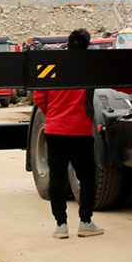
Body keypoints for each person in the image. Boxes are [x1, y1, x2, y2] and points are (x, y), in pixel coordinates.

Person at [32, 27, 104, 239]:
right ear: (88, 44)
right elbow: (115, 81)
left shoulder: (53, 64)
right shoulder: (89, 67)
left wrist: (53, 116)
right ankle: (85, 222)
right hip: (80, 132)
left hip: (55, 131)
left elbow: (39, 96)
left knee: (57, 177)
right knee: (88, 177)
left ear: (68, 43)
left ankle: (61, 225)